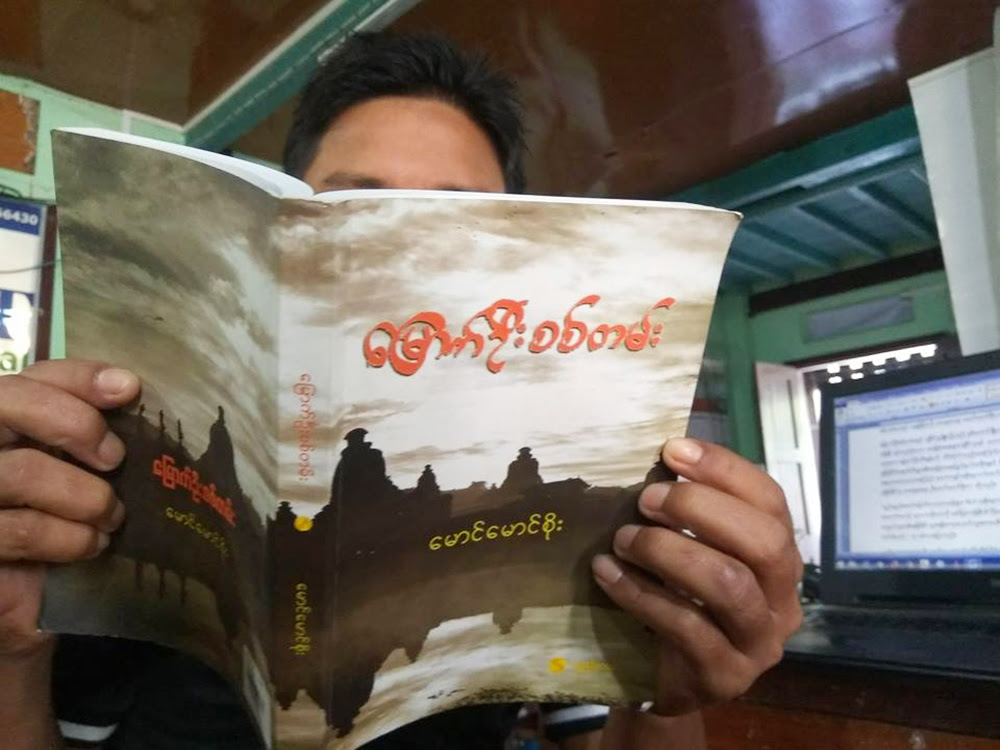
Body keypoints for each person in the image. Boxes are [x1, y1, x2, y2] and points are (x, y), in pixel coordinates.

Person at [0, 32, 802, 749]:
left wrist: (667, 697)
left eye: (453, 233)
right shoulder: (111, 501)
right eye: (354, 208)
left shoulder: (570, 518)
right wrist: (10, 652)